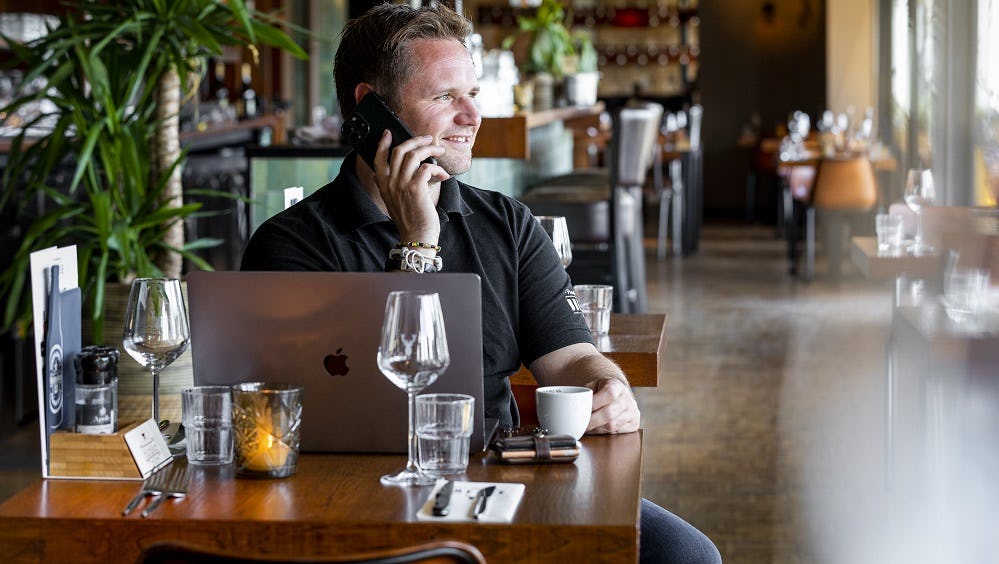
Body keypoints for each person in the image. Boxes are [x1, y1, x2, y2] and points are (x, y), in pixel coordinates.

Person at [241, 4, 721, 563]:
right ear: (370, 107)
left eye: (473, 92)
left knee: (686, 555)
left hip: (505, 483)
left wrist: (608, 387)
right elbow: (345, 417)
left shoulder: (508, 225)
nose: (472, 115)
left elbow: (570, 358)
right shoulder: (291, 245)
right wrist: (418, 243)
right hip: (361, 501)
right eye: (445, 97)